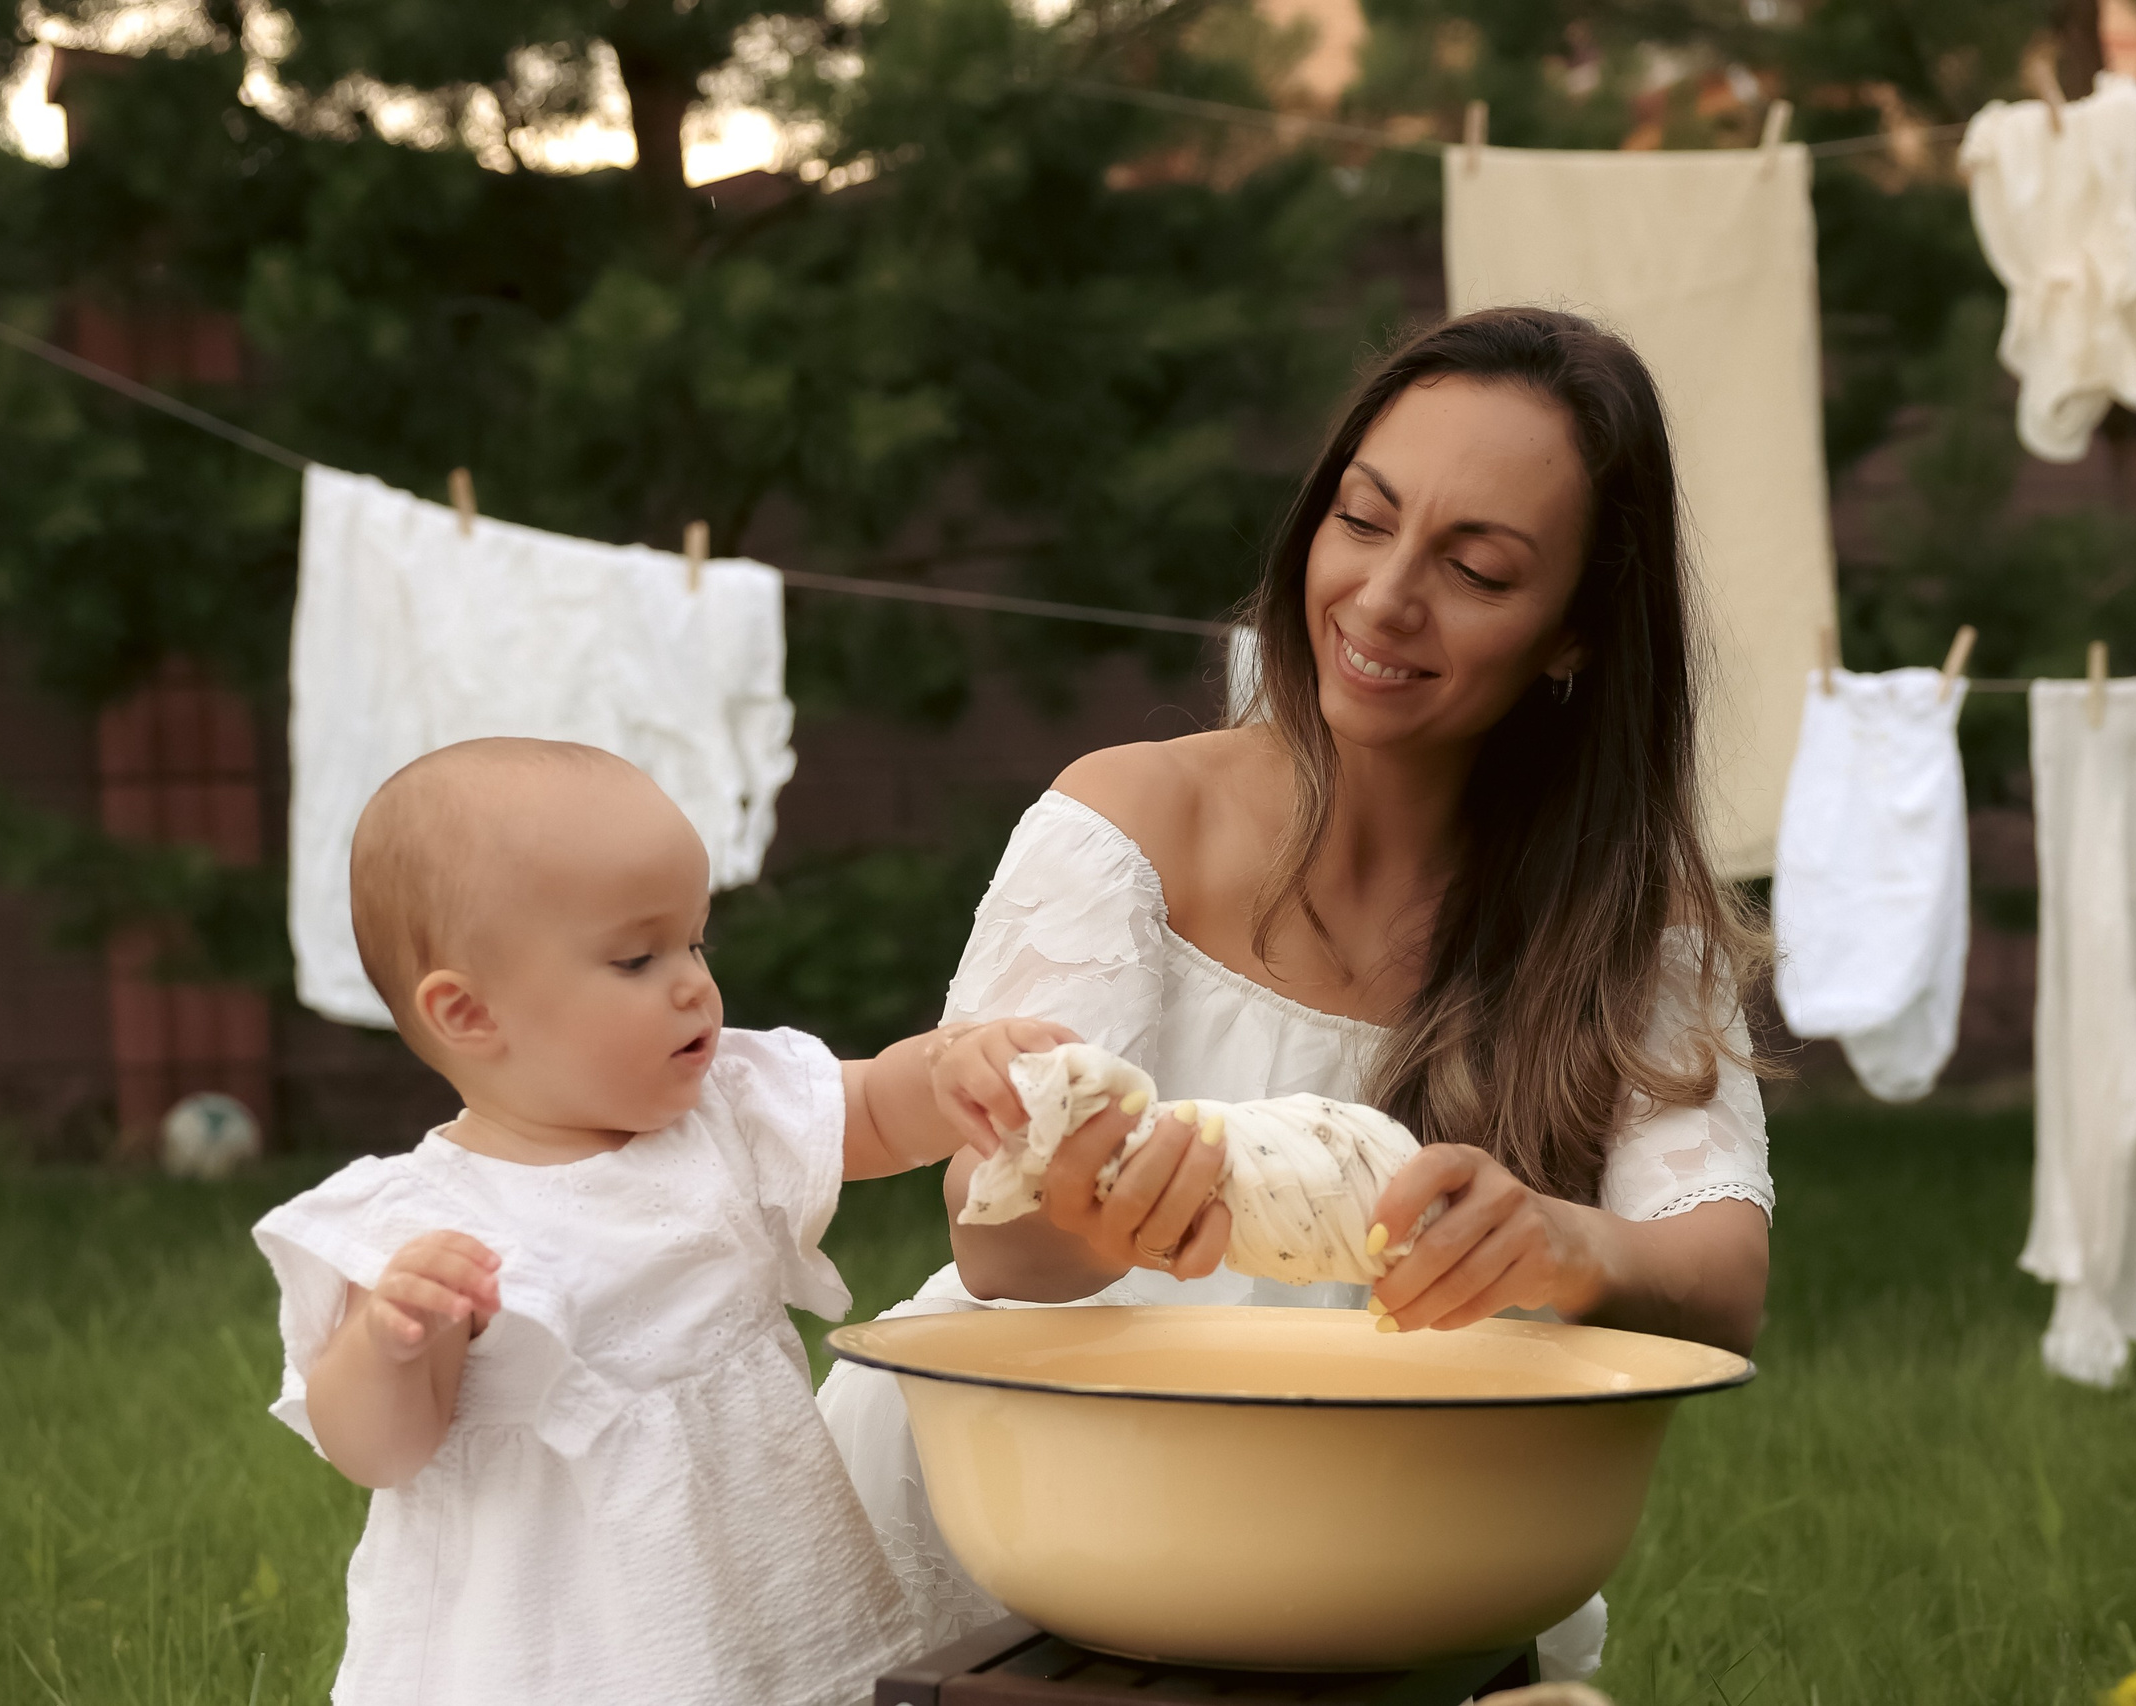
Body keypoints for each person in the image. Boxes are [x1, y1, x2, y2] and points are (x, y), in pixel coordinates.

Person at [819, 307, 1777, 1678]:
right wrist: (1096, 1219)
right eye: (1364, 518)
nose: (1386, 596)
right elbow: (995, 1241)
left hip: (1383, 1542)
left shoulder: (1631, 929)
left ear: (1574, 636)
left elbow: (1720, 1277)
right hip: (1010, 1521)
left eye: (1478, 568)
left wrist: (1572, 1247)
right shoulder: (1128, 823)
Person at [250, 738, 1055, 1706]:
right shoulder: (419, 1223)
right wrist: (389, 1340)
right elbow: (378, 1450)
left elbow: (876, 1110)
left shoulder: (726, 1109)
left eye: (695, 940)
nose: (691, 982)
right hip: (546, 1640)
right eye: (637, 956)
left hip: (759, 1585)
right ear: (468, 1011)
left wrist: (952, 1069)